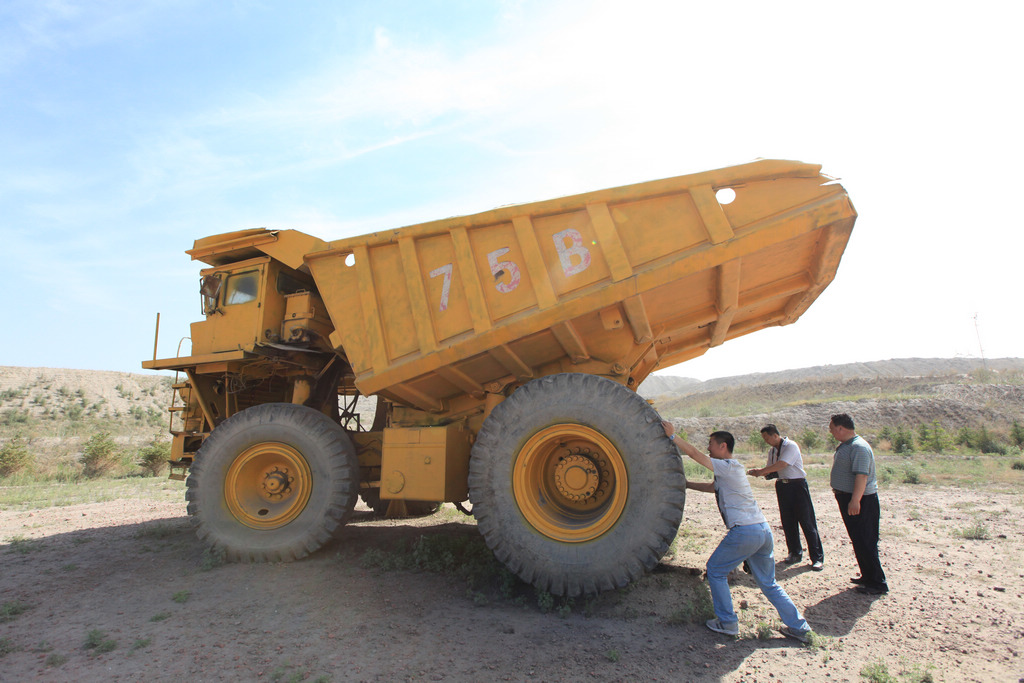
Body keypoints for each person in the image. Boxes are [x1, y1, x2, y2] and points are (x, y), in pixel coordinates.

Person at [662, 420, 813, 642]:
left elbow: (694, 454)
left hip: (745, 532)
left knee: (715, 569)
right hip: (762, 531)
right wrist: (687, 484)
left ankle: (727, 622)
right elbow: (713, 487)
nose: (708, 448)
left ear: (723, 446)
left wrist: (673, 436)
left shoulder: (726, 465)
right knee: (768, 583)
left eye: (711, 444)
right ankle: (800, 627)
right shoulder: (732, 470)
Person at [748, 425, 824, 570]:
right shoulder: (772, 451)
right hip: (783, 486)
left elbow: (782, 464)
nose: (766, 441)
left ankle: (817, 557)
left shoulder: (791, 446)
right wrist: (759, 473)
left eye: (767, 438)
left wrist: (761, 471)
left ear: (775, 435)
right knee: (788, 521)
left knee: (807, 521)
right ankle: (794, 552)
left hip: (797, 485)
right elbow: (772, 469)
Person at [828, 413, 888, 595]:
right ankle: (867, 576)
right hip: (848, 497)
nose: (830, 432)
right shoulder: (848, 445)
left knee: (866, 540)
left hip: (861, 499)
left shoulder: (859, 447)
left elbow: (862, 476)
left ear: (840, 428)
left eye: (832, 428)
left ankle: (877, 583)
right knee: (858, 539)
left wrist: (855, 500)